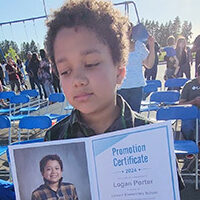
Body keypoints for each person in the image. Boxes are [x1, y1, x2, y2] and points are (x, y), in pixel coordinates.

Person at [43, 0, 184, 190]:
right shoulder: (54, 139)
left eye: (91, 63)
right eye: (65, 71)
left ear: (119, 71)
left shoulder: (153, 138)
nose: (77, 79)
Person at [118, 23, 155, 113]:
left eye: (128, 29)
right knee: (120, 118)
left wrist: (152, 46)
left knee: (135, 117)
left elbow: (149, 65)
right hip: (120, 88)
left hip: (136, 87)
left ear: (131, 31)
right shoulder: (115, 47)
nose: (126, 31)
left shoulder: (139, 46)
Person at [179, 64, 200, 141]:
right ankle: (192, 143)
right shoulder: (189, 85)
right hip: (190, 111)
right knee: (187, 126)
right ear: (197, 74)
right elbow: (180, 104)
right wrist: (194, 102)